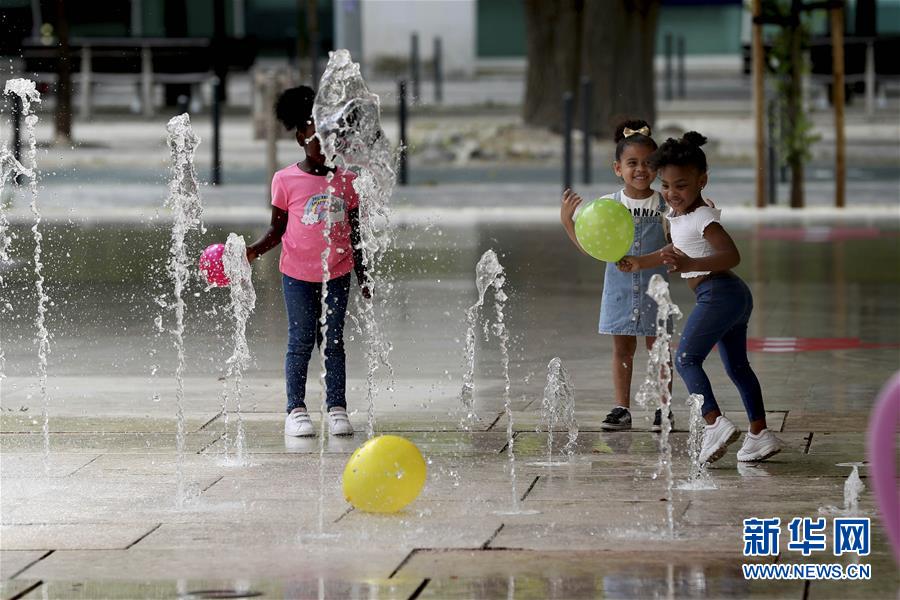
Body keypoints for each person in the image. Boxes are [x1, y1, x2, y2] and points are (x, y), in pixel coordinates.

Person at [617, 132, 783, 463]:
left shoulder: (703, 218)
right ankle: (760, 434)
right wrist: (640, 262)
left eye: (681, 185)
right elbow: (672, 250)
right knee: (737, 366)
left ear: (702, 181)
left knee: (685, 359)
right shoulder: (678, 217)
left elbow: (731, 254)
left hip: (720, 293)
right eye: (665, 185)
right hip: (730, 297)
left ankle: (713, 422)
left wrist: (692, 264)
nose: (672, 193)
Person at [246, 85, 370, 438]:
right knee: (300, 339)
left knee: (333, 341)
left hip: (338, 273)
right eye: (318, 139)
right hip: (297, 275)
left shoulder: (348, 182)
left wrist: (364, 272)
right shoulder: (285, 180)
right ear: (301, 136)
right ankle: (296, 409)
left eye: (334, 141)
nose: (327, 148)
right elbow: (276, 230)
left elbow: (356, 233)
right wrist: (253, 250)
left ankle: (336, 407)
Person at [560, 119, 673, 432]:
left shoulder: (666, 205)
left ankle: (664, 408)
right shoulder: (607, 206)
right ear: (617, 168)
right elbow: (593, 248)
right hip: (619, 291)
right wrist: (568, 222)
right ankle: (621, 408)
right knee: (622, 349)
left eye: (648, 163)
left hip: (655, 288)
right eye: (631, 163)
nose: (640, 170)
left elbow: (677, 246)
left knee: (659, 347)